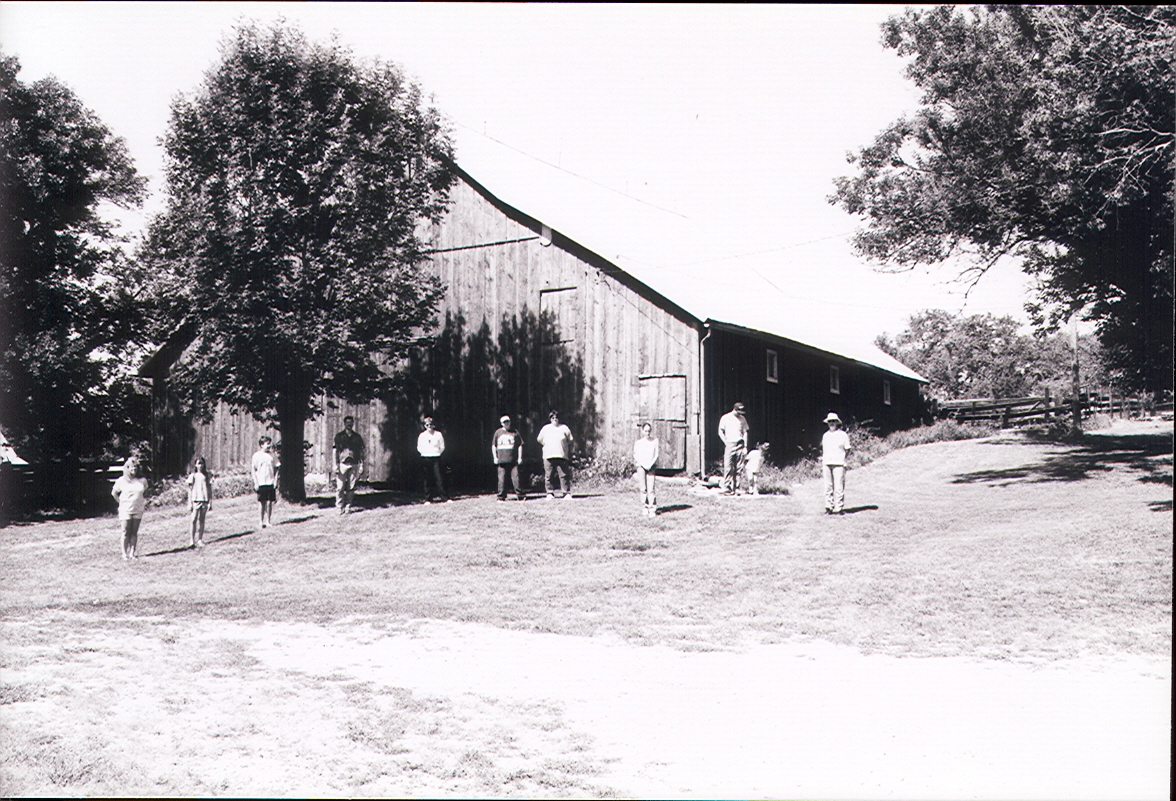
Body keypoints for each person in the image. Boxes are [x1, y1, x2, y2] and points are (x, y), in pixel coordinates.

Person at [111, 458, 148, 560]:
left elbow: (144, 490)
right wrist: (121, 502)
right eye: (131, 467)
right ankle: (124, 554)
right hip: (125, 509)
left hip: (138, 509)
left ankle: (132, 553)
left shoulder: (142, 481)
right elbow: (114, 493)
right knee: (125, 531)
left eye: (135, 467)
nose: (134, 469)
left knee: (134, 532)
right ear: (127, 468)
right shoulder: (121, 481)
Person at [537, 409, 574, 500]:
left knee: (563, 475)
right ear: (550, 419)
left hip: (561, 455)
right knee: (548, 475)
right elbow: (539, 439)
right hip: (548, 455)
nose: (555, 419)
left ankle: (566, 493)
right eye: (553, 417)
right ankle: (549, 493)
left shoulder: (564, 428)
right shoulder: (545, 428)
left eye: (556, 417)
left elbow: (570, 440)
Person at [333, 415, 365, 515]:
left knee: (351, 487)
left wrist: (362, 465)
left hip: (354, 463)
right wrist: (335, 464)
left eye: (351, 423)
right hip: (342, 464)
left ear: (353, 424)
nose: (349, 425)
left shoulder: (357, 437)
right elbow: (335, 451)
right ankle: (339, 508)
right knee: (340, 487)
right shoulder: (339, 436)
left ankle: (348, 507)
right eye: (347, 423)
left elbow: (361, 452)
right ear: (344, 424)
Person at [821, 413, 852, 514]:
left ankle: (839, 508)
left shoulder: (843, 435)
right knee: (828, 486)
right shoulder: (825, 436)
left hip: (838, 463)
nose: (831, 423)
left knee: (839, 487)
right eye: (830, 421)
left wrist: (842, 459)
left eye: (833, 421)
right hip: (827, 463)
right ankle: (828, 507)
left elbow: (848, 449)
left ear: (837, 422)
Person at [718, 401, 749, 494]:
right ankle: (727, 487)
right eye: (738, 412)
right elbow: (720, 431)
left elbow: (745, 432)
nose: (740, 414)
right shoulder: (725, 418)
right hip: (729, 444)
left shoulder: (742, 419)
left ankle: (737, 487)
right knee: (728, 466)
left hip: (740, 443)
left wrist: (745, 446)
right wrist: (726, 442)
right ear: (734, 410)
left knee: (739, 467)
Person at [492, 414, 525, 501]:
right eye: (504, 422)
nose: (506, 423)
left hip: (513, 460)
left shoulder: (515, 432)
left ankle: (520, 495)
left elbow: (520, 445)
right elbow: (494, 446)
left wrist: (520, 457)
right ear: (501, 423)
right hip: (501, 460)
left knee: (516, 478)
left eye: (507, 422)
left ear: (510, 422)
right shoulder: (498, 432)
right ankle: (501, 497)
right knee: (501, 479)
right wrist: (495, 457)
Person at [416, 416, 449, 502]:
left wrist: (437, 452)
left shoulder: (438, 434)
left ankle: (445, 498)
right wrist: (425, 453)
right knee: (427, 479)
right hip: (426, 458)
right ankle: (428, 499)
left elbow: (442, 446)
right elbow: (419, 447)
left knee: (439, 478)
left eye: (431, 425)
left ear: (433, 425)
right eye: (427, 425)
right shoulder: (422, 436)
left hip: (436, 458)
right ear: (425, 426)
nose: (429, 426)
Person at [251, 435, 279, 528]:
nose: (269, 445)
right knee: (261, 502)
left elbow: (277, 468)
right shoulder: (256, 456)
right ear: (261, 445)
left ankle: (268, 521)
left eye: (270, 443)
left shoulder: (272, 455)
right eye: (267, 444)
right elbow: (253, 470)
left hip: (270, 482)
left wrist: (275, 480)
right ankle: (260, 521)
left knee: (270, 502)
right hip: (261, 482)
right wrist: (255, 482)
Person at [633, 422, 659, 517]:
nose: (647, 433)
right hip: (642, 467)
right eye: (645, 431)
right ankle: (645, 507)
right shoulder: (638, 443)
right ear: (642, 431)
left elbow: (656, 454)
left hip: (651, 466)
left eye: (649, 431)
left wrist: (650, 464)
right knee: (643, 488)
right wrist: (642, 464)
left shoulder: (654, 441)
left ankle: (652, 508)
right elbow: (636, 455)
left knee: (651, 489)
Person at [186, 456, 212, 548]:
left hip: (204, 500)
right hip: (195, 500)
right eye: (198, 463)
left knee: (202, 520)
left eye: (201, 463)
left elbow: (209, 489)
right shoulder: (193, 476)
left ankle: (200, 539)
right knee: (193, 520)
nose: (200, 465)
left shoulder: (207, 475)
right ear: (195, 465)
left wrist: (210, 502)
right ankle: (191, 541)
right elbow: (189, 490)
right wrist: (189, 503)